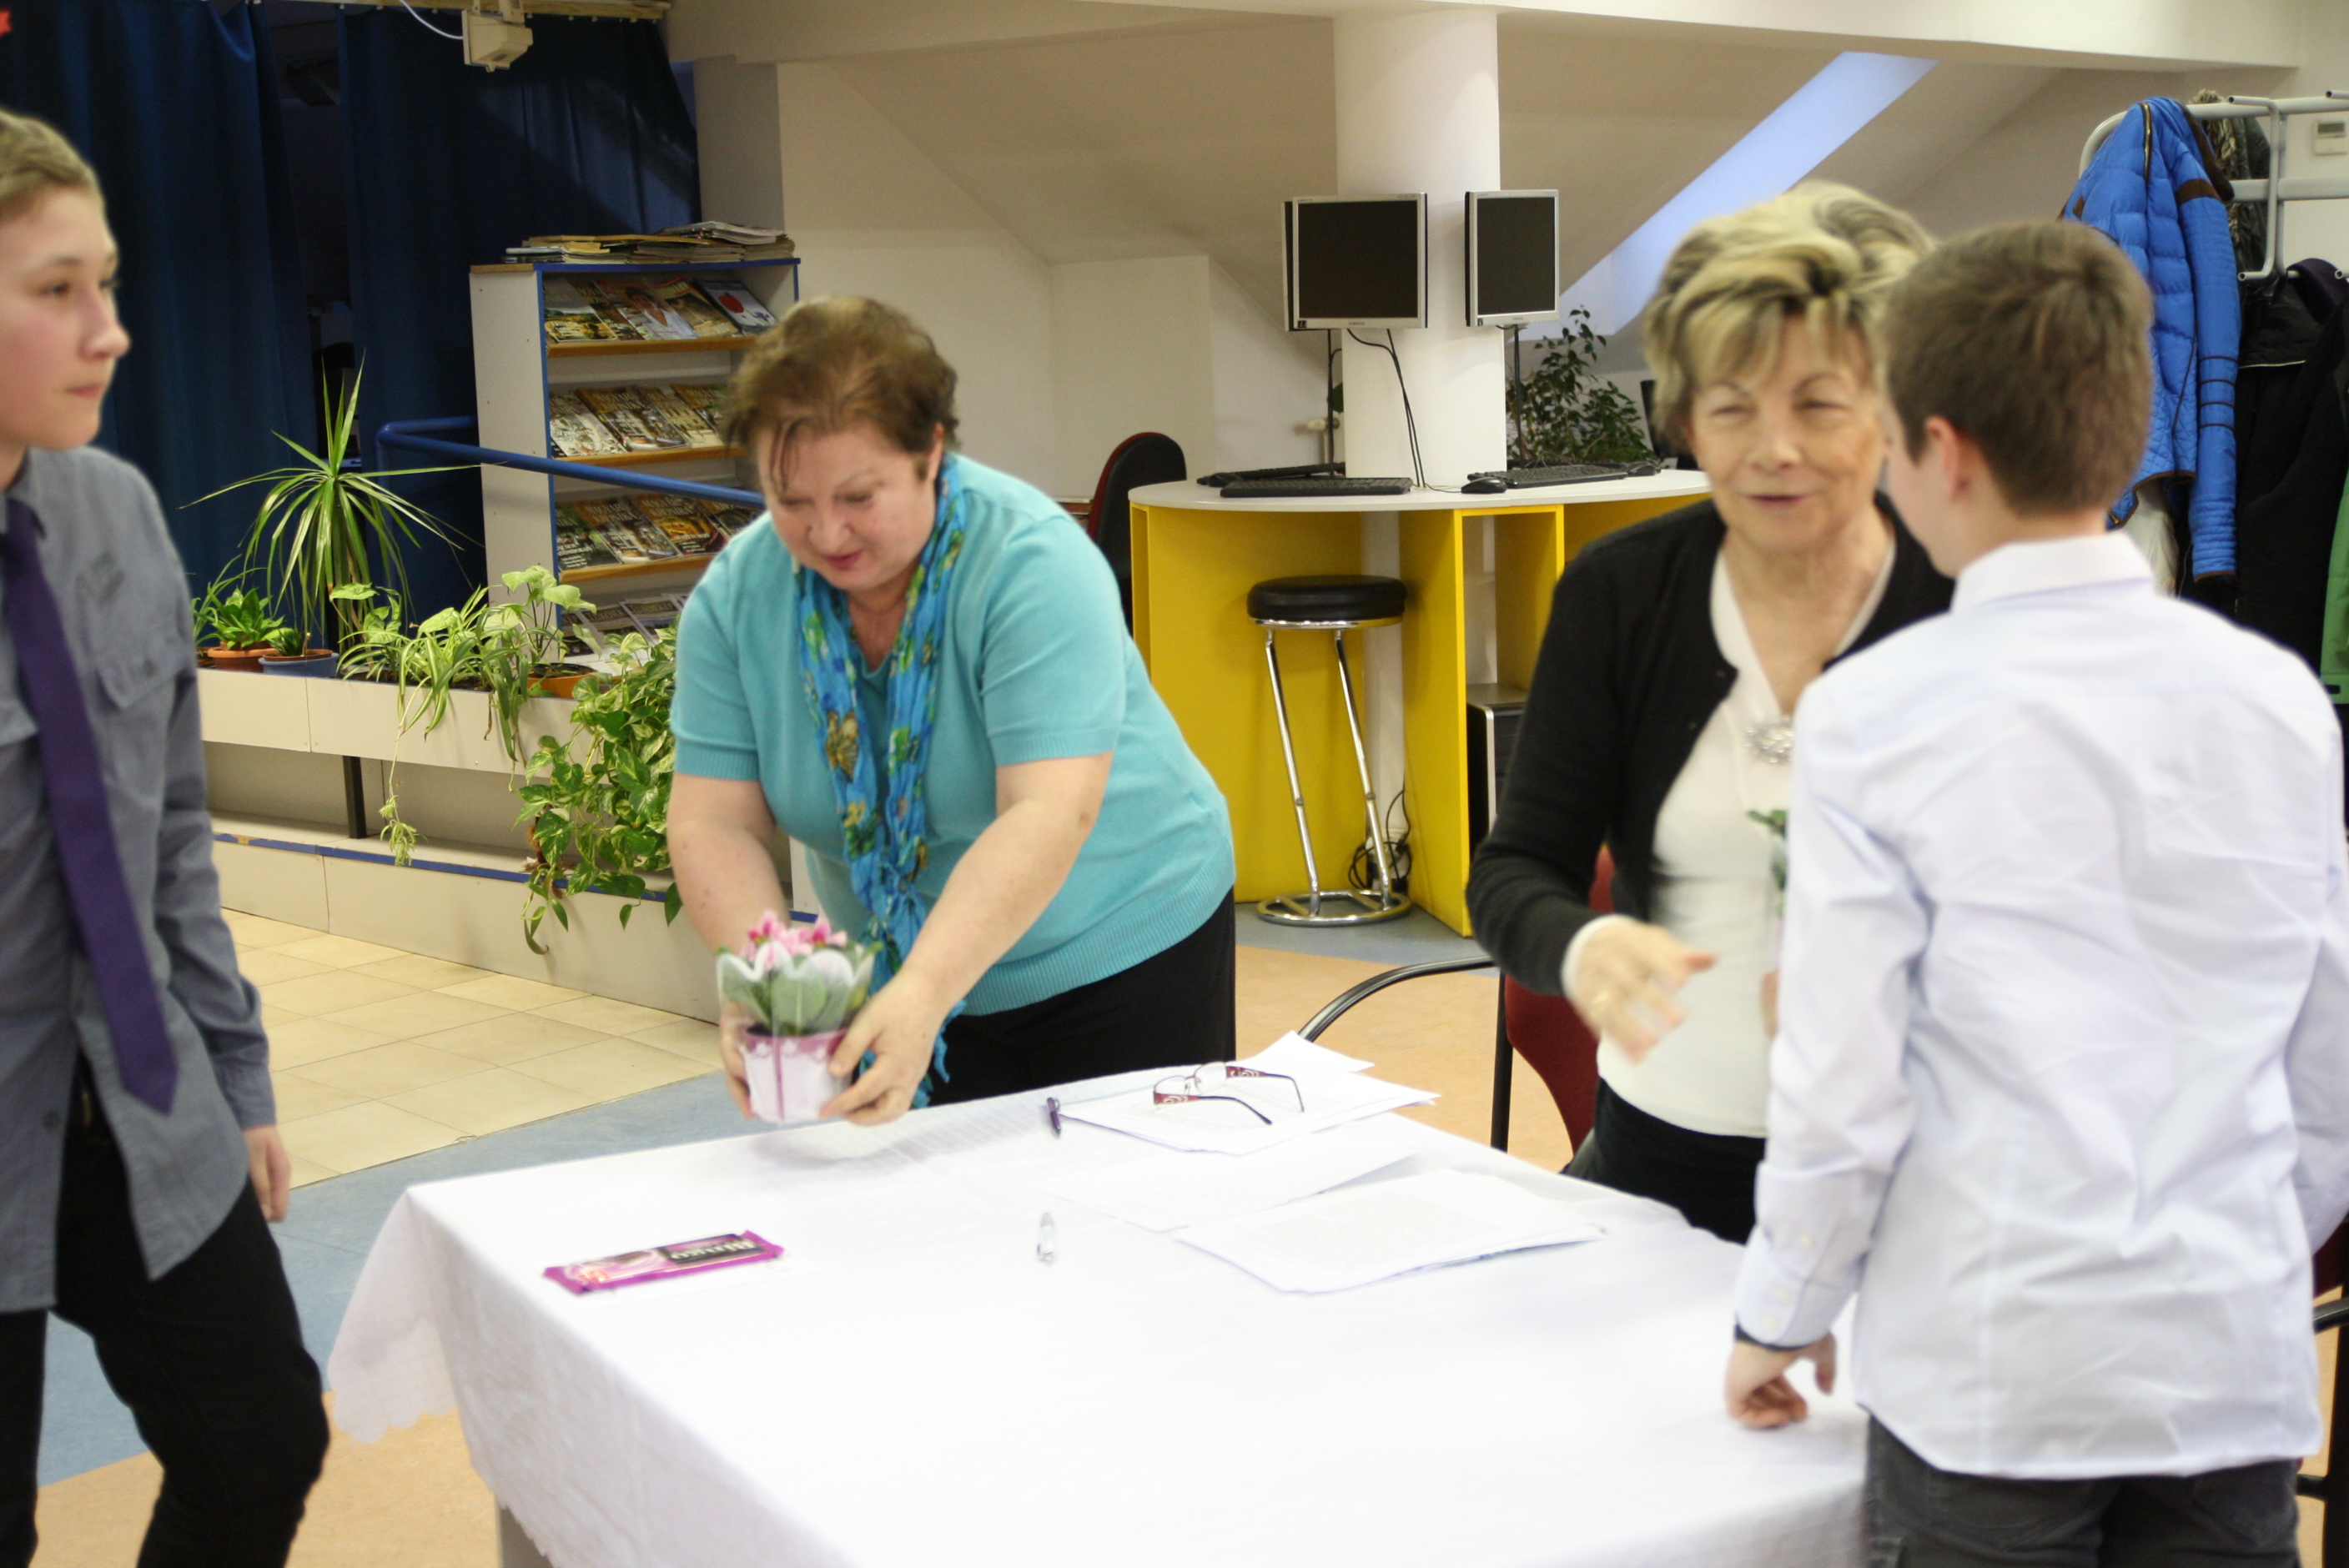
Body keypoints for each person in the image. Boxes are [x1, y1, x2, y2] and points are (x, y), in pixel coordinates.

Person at [1723, 221, 2349, 1568]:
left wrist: (1783, 1308)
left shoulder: (1876, 717)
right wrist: (2223, 1255)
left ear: (1943, 453)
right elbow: (2327, 1062)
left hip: (1992, 1379)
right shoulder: (2280, 701)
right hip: (2225, 1366)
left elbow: (1843, 1084)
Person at [1465, 183, 1951, 1240]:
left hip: (1921, 1166)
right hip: (1666, 1148)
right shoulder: (1620, 594)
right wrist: (1584, 948)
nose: (1772, 447)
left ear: (1891, 408)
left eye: (1816, 405)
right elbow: (1514, 873)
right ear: (1684, 418)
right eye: (1731, 407)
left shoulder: (1963, 594)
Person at [0, 112, 328, 1565]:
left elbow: (172, 835)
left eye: (109, 284)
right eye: (57, 290)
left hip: (141, 1096)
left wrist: (236, 1075)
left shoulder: (118, 515)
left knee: (263, 1442)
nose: (110, 331)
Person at [669, 296, 1236, 1125]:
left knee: (1115, 1194)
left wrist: (927, 988)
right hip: (905, 965)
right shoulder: (737, 600)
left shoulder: (1030, 563)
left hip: (1119, 940)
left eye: (859, 496)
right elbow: (715, 821)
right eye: (791, 501)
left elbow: (1046, 810)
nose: (827, 532)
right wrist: (766, 983)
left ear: (930, 453)